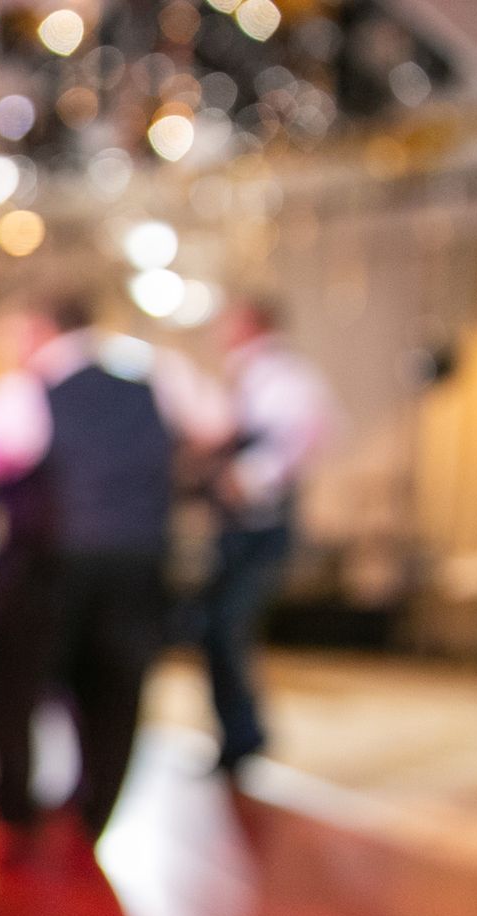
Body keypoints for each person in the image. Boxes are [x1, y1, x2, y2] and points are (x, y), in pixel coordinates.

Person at [0, 294, 225, 844]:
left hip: (51, 561)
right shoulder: (158, 376)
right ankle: (94, 814)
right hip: (140, 557)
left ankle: (16, 802)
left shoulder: (32, 389)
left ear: (39, 329)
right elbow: (218, 425)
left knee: (14, 682)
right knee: (117, 688)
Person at [201, 297, 333, 775]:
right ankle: (238, 733)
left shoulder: (285, 377)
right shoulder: (247, 376)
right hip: (237, 527)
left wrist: (250, 478)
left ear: (250, 323)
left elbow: (308, 435)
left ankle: (245, 736)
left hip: (262, 527)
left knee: (227, 627)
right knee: (216, 630)